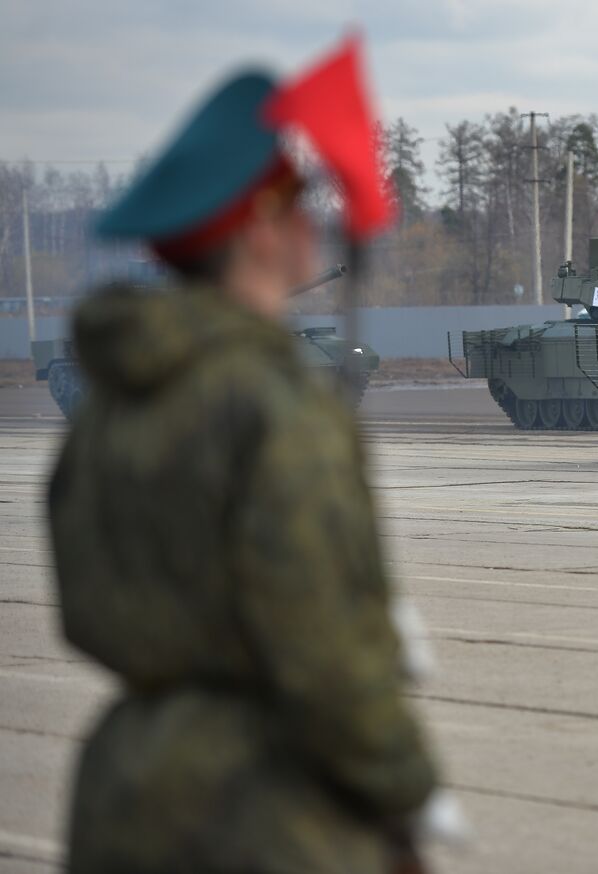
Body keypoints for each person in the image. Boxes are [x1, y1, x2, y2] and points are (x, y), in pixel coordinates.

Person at [47, 66, 440, 873]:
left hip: (124, 785)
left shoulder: (116, 401)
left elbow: (83, 608)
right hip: (267, 809)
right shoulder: (272, 405)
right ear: (260, 230)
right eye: (298, 207)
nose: (311, 229)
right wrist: (406, 784)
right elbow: (324, 652)